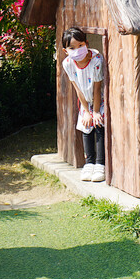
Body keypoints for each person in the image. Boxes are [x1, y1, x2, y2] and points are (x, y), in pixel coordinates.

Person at [61, 27, 106, 182]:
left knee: (99, 124)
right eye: (72, 48)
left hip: (100, 99)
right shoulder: (67, 64)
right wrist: (87, 111)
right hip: (85, 100)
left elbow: (97, 87)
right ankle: (89, 163)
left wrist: (95, 111)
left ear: (86, 44)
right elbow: (77, 88)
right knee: (86, 126)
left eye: (80, 46)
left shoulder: (96, 60)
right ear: (66, 51)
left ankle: (100, 164)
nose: (77, 50)